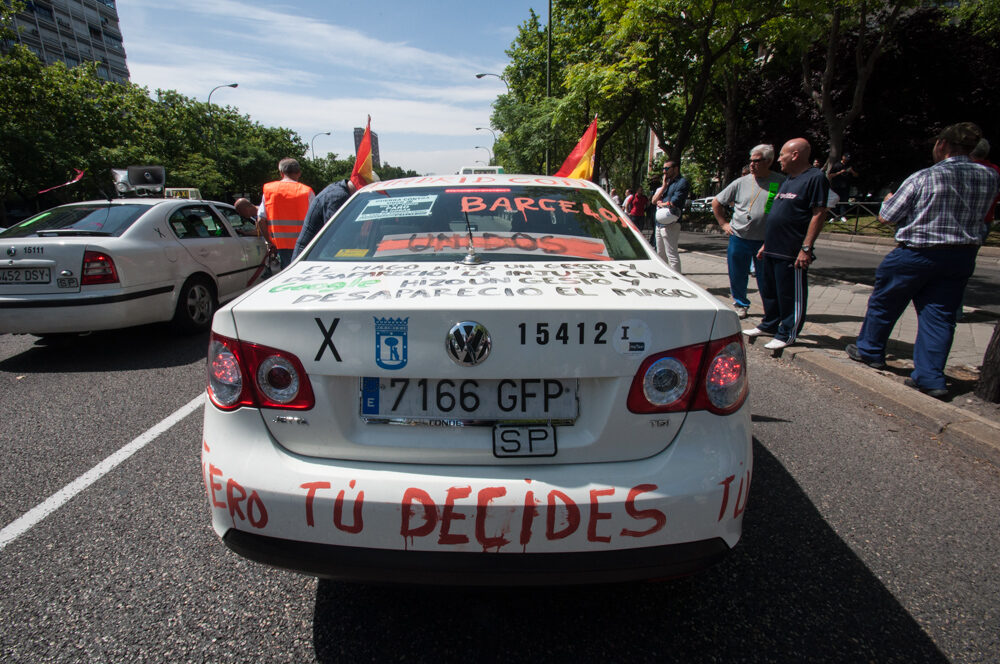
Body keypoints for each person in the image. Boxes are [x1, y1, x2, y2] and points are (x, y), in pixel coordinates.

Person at [846, 123, 999, 398]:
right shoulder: (989, 177)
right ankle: (930, 377)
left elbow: (887, 216)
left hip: (917, 253)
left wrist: (888, 200)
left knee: (885, 303)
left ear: (943, 145)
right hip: (961, 255)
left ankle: (869, 350)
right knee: (940, 316)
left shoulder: (926, 176)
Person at [743, 138, 829, 350]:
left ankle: (787, 333)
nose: (779, 159)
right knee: (770, 290)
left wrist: (806, 248)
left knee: (790, 293)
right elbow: (777, 212)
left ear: (795, 155)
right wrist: (766, 244)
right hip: (772, 246)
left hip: (791, 249)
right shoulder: (788, 180)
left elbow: (819, 214)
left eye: (782, 155)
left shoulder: (815, 178)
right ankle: (770, 324)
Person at [711, 144, 786, 319]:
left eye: (757, 161)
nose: (752, 164)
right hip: (739, 237)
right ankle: (740, 304)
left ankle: (771, 309)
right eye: (751, 160)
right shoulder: (740, 182)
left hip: (765, 240)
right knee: (737, 273)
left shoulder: (780, 182)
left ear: (769, 161)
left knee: (766, 277)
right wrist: (723, 224)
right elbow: (717, 202)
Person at [257, 158, 315, 270]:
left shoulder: (270, 191)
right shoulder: (306, 191)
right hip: (305, 244)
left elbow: (260, 220)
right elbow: (317, 218)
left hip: (280, 245)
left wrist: (269, 241)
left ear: (281, 173)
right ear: (299, 173)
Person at [292, 178, 358, 258]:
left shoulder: (341, 191)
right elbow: (337, 235)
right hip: (308, 256)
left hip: (316, 252)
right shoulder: (337, 196)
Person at [649, 160, 690, 272]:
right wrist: (663, 186)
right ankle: (663, 275)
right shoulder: (667, 183)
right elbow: (653, 201)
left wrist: (662, 204)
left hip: (671, 223)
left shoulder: (682, 182)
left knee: (671, 254)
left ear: (675, 168)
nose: (664, 171)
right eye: (663, 169)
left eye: (667, 168)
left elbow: (675, 201)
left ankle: (676, 277)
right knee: (660, 253)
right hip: (660, 223)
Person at [827, 153, 858, 221]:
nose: (847, 160)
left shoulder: (849, 165)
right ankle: (833, 216)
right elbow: (830, 175)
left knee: (844, 200)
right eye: (846, 158)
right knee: (835, 201)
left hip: (846, 186)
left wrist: (852, 171)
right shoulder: (837, 165)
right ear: (843, 157)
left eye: (848, 158)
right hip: (836, 186)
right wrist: (840, 172)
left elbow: (856, 175)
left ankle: (843, 215)